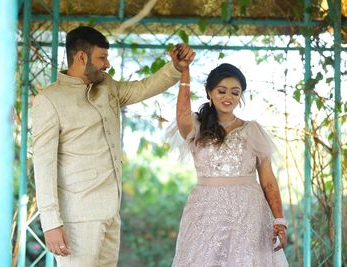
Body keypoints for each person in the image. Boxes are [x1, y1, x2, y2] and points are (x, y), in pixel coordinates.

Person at [31, 26, 194, 266]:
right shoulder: (50, 100)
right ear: (81, 57)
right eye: (102, 58)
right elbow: (43, 165)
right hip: (77, 219)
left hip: (110, 214)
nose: (107, 64)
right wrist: (51, 223)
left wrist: (175, 68)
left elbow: (142, 88)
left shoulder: (107, 86)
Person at [171, 63, 289, 266]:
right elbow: (182, 115)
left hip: (249, 213)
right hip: (205, 211)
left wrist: (279, 220)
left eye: (235, 92)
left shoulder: (253, 130)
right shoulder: (196, 127)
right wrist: (185, 73)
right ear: (209, 92)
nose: (228, 97)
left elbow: (268, 179)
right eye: (221, 91)